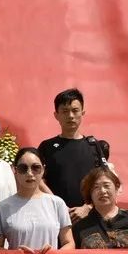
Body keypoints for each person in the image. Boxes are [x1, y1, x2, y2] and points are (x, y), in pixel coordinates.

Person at [38, 88, 111, 223]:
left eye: (75, 110)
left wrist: (88, 207)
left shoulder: (94, 146)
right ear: (56, 115)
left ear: (83, 113)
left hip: (91, 219)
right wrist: (59, 206)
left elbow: (105, 181)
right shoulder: (46, 147)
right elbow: (38, 180)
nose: (70, 116)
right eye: (65, 111)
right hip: (55, 218)